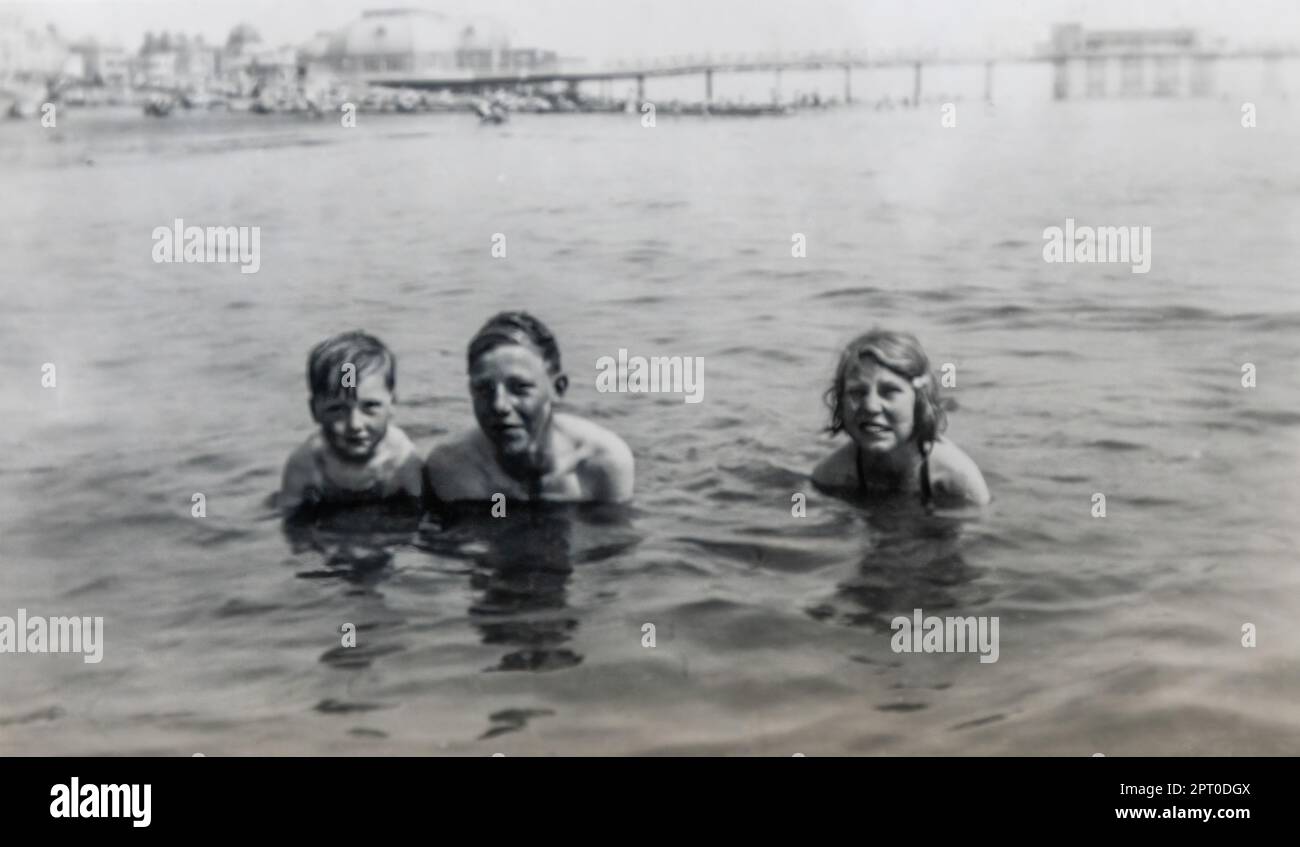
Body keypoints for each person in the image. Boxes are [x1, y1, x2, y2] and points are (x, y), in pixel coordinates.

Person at [425, 311, 634, 504]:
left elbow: (612, 539)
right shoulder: (453, 469)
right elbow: (489, 521)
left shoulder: (600, 465)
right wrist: (500, 510)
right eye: (484, 390)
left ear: (557, 389)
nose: (499, 405)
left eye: (519, 388)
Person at [811, 329, 989, 508]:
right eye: (857, 392)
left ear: (920, 399)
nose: (871, 406)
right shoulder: (830, 476)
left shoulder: (957, 480)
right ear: (840, 402)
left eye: (889, 391)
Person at [279, 331, 423, 514]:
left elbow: (423, 520)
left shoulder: (401, 459)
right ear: (314, 410)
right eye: (337, 409)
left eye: (370, 406)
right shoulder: (308, 462)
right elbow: (288, 520)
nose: (355, 424)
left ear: (392, 404)